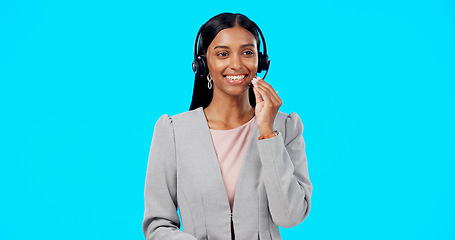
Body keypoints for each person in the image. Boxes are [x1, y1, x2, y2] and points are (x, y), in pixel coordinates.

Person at [142, 12, 312, 240]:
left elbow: (290, 217)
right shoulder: (173, 131)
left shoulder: (286, 126)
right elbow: (158, 224)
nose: (236, 64)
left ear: (260, 61)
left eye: (247, 52)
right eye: (223, 54)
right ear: (202, 64)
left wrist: (267, 133)